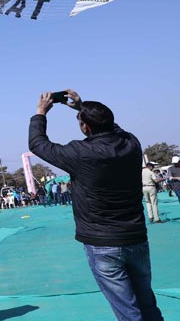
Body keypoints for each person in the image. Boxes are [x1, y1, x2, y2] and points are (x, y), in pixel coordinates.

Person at [29, 90, 163, 321]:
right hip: (136, 236)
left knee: (128, 311)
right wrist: (83, 108)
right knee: (147, 304)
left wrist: (40, 113)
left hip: (102, 243)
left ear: (85, 128)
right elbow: (115, 129)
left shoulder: (80, 153)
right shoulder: (131, 143)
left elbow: (38, 144)